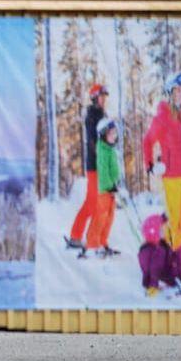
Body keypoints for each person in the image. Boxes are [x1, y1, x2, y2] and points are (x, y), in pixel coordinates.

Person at [142, 71, 181, 251]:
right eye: (178, 91)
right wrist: (150, 164)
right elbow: (148, 140)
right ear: (170, 93)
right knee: (173, 220)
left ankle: (176, 254)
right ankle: (167, 254)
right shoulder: (163, 116)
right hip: (171, 176)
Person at [67, 84, 109, 251]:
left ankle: (95, 237)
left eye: (105, 96)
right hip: (94, 165)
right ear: (94, 98)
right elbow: (93, 142)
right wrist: (101, 157)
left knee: (100, 203)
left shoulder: (102, 115)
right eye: (102, 96)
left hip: (101, 165)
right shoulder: (92, 116)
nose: (104, 99)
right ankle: (75, 236)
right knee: (92, 202)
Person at [83, 117, 122, 259]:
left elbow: (114, 169)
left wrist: (116, 183)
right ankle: (92, 245)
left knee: (109, 218)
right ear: (104, 135)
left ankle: (102, 241)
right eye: (111, 134)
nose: (114, 136)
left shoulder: (110, 149)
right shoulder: (103, 150)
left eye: (115, 133)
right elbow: (103, 171)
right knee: (100, 217)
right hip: (104, 190)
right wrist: (110, 185)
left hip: (111, 189)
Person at [138, 212, 181, 296]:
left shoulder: (160, 246)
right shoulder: (157, 250)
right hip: (171, 275)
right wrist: (153, 285)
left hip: (172, 269)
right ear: (156, 232)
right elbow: (154, 268)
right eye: (162, 230)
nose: (165, 231)